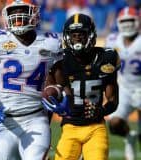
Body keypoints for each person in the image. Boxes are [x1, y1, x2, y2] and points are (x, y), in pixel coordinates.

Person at [0, 0, 62, 159]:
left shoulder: (51, 42)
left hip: (36, 118)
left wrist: (60, 93)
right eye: (13, 11)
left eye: (23, 10)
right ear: (6, 14)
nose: (18, 15)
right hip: (6, 123)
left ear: (34, 12)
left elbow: (61, 81)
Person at [41, 13, 120, 160]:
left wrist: (101, 111)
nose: (77, 38)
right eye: (73, 34)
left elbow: (113, 100)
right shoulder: (60, 60)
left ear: (91, 35)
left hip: (95, 127)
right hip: (70, 127)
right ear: (67, 36)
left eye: (81, 34)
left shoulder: (106, 58)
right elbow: (49, 92)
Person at [105, 6, 141, 160]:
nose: (127, 24)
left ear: (137, 21)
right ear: (118, 22)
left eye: (130, 20)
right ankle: (128, 137)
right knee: (114, 123)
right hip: (124, 88)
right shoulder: (112, 40)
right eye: (124, 21)